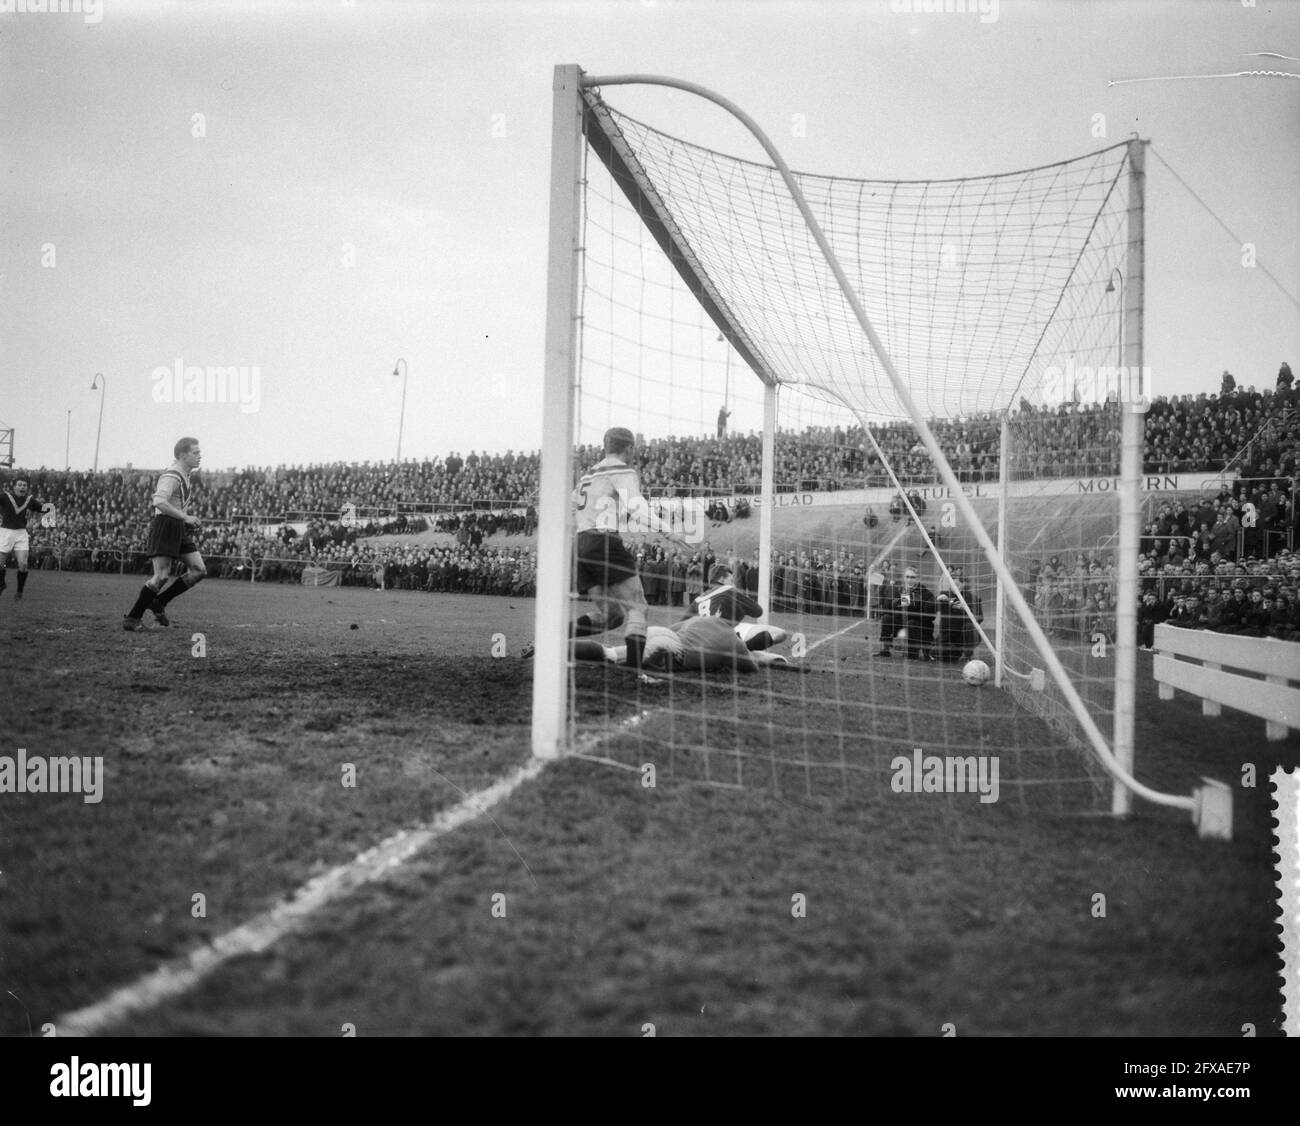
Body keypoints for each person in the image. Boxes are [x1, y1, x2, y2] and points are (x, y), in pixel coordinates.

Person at [122, 437, 207, 630]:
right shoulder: (172, 475)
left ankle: (159, 602)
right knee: (161, 576)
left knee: (199, 571)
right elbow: (159, 501)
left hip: (177, 526)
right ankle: (133, 618)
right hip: (165, 526)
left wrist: (184, 520)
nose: (200, 456)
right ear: (183, 455)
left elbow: (172, 503)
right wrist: (185, 518)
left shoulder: (185, 475)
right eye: (195, 453)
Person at [0, 476, 56, 600]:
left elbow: (41, 508)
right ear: (14, 486)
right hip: (5, 532)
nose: (22, 487)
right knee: (1, 564)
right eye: (19, 485)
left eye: (24, 485)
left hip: (21, 533)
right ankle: (1, 583)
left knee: (23, 564)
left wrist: (51, 507)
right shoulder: (5, 497)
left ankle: (19, 591)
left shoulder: (30, 500)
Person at [875, 565, 937, 659]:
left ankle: (919, 652)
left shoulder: (926, 593)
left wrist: (912, 605)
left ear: (918, 578)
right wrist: (894, 603)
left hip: (919, 627)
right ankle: (885, 649)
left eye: (912, 577)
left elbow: (931, 617)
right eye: (907, 577)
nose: (909, 580)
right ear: (904, 578)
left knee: (911, 624)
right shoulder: (897, 589)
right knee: (886, 618)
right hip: (900, 623)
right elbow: (888, 607)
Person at [933, 565, 982, 663]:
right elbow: (931, 610)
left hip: (964, 635)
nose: (953, 587)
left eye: (956, 584)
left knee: (969, 627)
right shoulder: (944, 595)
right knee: (937, 653)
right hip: (947, 636)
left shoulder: (973, 598)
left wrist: (965, 609)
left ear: (963, 584)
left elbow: (980, 618)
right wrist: (936, 601)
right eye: (951, 584)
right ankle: (954, 652)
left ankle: (967, 655)